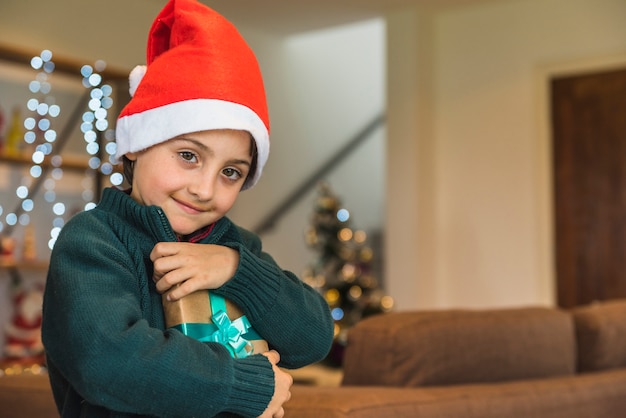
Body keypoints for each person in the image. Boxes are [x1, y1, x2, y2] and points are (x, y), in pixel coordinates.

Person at [41, 0, 334, 417]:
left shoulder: (235, 247)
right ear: (138, 144)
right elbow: (107, 361)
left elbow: (313, 338)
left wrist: (236, 270)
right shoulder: (92, 242)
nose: (204, 189)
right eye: (189, 156)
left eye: (231, 172)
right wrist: (243, 384)